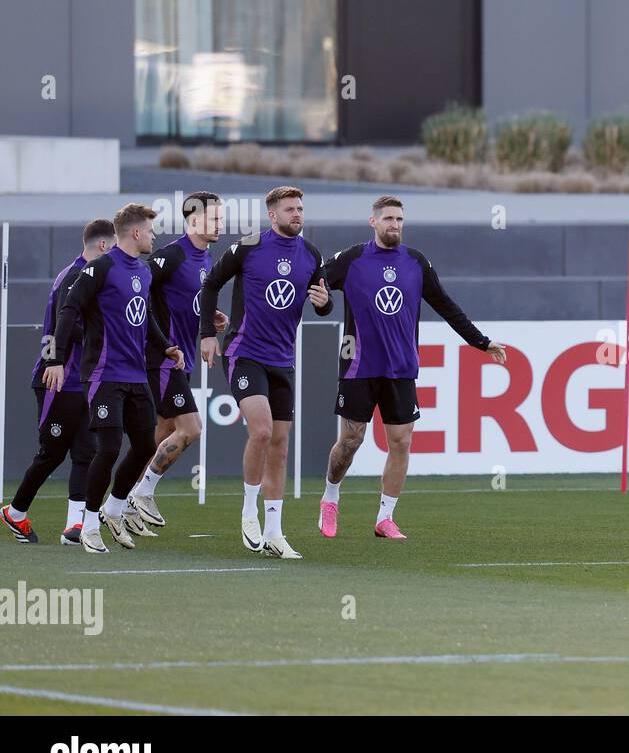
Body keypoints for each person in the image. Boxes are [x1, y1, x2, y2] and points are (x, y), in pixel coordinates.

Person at [317, 196, 507, 540]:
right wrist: (324, 304)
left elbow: (445, 304)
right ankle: (330, 498)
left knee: (401, 442)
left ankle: (385, 518)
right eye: (388, 218)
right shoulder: (352, 259)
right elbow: (317, 284)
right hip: (359, 366)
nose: (395, 224)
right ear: (373, 222)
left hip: (401, 367)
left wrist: (480, 341)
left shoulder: (416, 263)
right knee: (351, 440)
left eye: (399, 219)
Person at [199, 186, 333, 559]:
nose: (297, 214)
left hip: (283, 360)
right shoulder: (248, 246)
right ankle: (249, 513)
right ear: (272, 215)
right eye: (290, 209)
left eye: (300, 208)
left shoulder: (311, 254)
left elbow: (322, 300)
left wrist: (325, 303)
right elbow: (211, 283)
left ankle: (275, 532)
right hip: (245, 353)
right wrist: (207, 333)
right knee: (261, 430)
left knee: (280, 445)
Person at [43, 204, 183, 554]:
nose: (154, 236)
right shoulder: (101, 267)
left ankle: (114, 510)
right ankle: (89, 526)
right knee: (108, 448)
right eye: (150, 230)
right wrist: (56, 359)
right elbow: (69, 309)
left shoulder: (144, 272)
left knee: (146, 446)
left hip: (136, 373)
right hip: (104, 374)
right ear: (135, 233)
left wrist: (165, 347)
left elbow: (144, 315)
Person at [1, 220, 114, 545]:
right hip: (59, 379)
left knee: (86, 452)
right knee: (51, 453)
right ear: (103, 246)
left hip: (84, 379)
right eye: (114, 248)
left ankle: (74, 526)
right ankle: (15, 513)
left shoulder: (92, 277)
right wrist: (57, 362)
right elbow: (58, 326)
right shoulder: (75, 276)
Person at [126, 191, 229, 533]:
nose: (220, 224)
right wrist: (157, 341)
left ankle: (119, 505)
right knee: (192, 428)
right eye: (214, 218)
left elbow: (187, 299)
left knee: (163, 432)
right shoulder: (172, 255)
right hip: (162, 357)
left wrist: (210, 315)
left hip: (181, 358)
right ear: (194, 220)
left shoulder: (206, 258)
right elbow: (135, 290)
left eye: (221, 218)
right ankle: (142, 493)